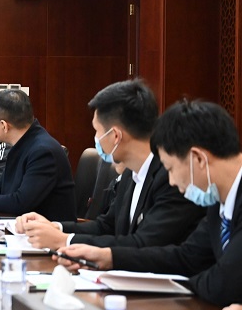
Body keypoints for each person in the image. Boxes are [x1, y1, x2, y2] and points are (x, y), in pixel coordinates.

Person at [57, 100, 242, 306]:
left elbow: (224, 282)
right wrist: (110, 258)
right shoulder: (219, 202)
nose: (172, 181)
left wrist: (182, 285)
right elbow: (186, 258)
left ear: (198, 158)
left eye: (171, 169)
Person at [17, 80, 204, 250]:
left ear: (115, 136)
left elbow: (145, 243)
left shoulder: (171, 177)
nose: (96, 138)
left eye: (97, 131)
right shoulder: (131, 172)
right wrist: (55, 227)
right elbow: (106, 226)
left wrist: (64, 241)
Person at [0, 89, 76, 221]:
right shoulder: (19, 145)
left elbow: (21, 202)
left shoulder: (43, 151)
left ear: (4, 126)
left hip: (47, 230)